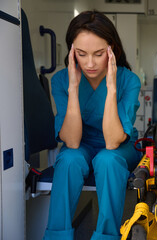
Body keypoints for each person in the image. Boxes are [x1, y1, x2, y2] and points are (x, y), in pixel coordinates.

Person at [43, 10, 141, 240]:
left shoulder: (129, 80)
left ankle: (106, 235)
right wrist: (74, 88)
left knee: (108, 160)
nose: (89, 63)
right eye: (81, 54)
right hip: (82, 144)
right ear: (71, 53)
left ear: (112, 50)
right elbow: (73, 141)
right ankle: (56, 236)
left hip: (118, 147)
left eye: (98, 54)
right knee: (68, 159)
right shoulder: (60, 80)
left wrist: (111, 88)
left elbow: (113, 141)